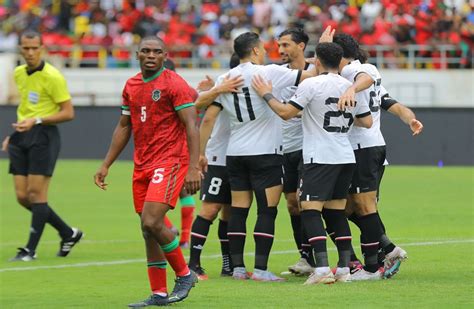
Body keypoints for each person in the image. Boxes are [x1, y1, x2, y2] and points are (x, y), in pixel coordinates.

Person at [251, 42, 373, 284]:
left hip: (320, 157)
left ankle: (322, 269)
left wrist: (266, 93)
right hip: (345, 155)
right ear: (340, 62)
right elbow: (365, 122)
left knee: (309, 209)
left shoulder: (311, 84)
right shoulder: (350, 88)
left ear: (316, 61)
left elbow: (285, 112)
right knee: (336, 213)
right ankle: (344, 270)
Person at [94, 36, 200, 306]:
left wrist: (193, 166)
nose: (151, 55)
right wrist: (106, 163)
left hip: (170, 160)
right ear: (137, 54)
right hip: (142, 163)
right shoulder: (131, 85)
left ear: (165, 55)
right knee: (148, 229)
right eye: (145, 51)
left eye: (156, 52)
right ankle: (159, 293)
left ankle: (186, 274)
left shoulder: (174, 83)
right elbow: (124, 126)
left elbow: (191, 125)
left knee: (152, 221)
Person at [200, 31, 315, 282]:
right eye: (262, 48)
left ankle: (239, 268)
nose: (265, 52)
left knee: (239, 211)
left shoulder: (224, 77)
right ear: (254, 51)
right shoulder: (268, 72)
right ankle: (261, 269)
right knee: (267, 211)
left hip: (235, 153)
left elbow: (203, 107)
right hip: (266, 153)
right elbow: (309, 73)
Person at [333, 33, 421, 280]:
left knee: (361, 207)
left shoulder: (355, 71)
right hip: (364, 149)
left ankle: (374, 265)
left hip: (363, 147)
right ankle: (383, 252)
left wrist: (351, 87)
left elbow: (367, 77)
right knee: (347, 208)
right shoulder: (348, 74)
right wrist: (409, 118)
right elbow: (392, 104)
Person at [2, 30, 82, 262]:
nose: (30, 52)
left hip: (44, 135)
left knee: (36, 194)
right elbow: (27, 106)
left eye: (34, 48)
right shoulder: (18, 73)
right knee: (21, 196)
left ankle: (30, 250)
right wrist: (13, 134)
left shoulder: (53, 76)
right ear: (20, 49)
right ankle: (68, 233)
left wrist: (36, 121)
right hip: (22, 133)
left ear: (42, 48)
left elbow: (68, 112)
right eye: (25, 48)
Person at [188, 55, 244, 280]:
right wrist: (200, 153)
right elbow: (203, 115)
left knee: (229, 214)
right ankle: (193, 265)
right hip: (218, 158)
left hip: (238, 158)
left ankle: (228, 265)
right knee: (210, 210)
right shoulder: (224, 89)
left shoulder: (248, 88)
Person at [276, 27, 316, 276]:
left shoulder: (317, 74)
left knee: (307, 202)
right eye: (279, 45)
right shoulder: (276, 74)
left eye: (286, 45)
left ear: (301, 46)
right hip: (283, 148)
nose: (281, 50)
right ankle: (305, 258)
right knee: (292, 204)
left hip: (308, 147)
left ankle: (348, 257)